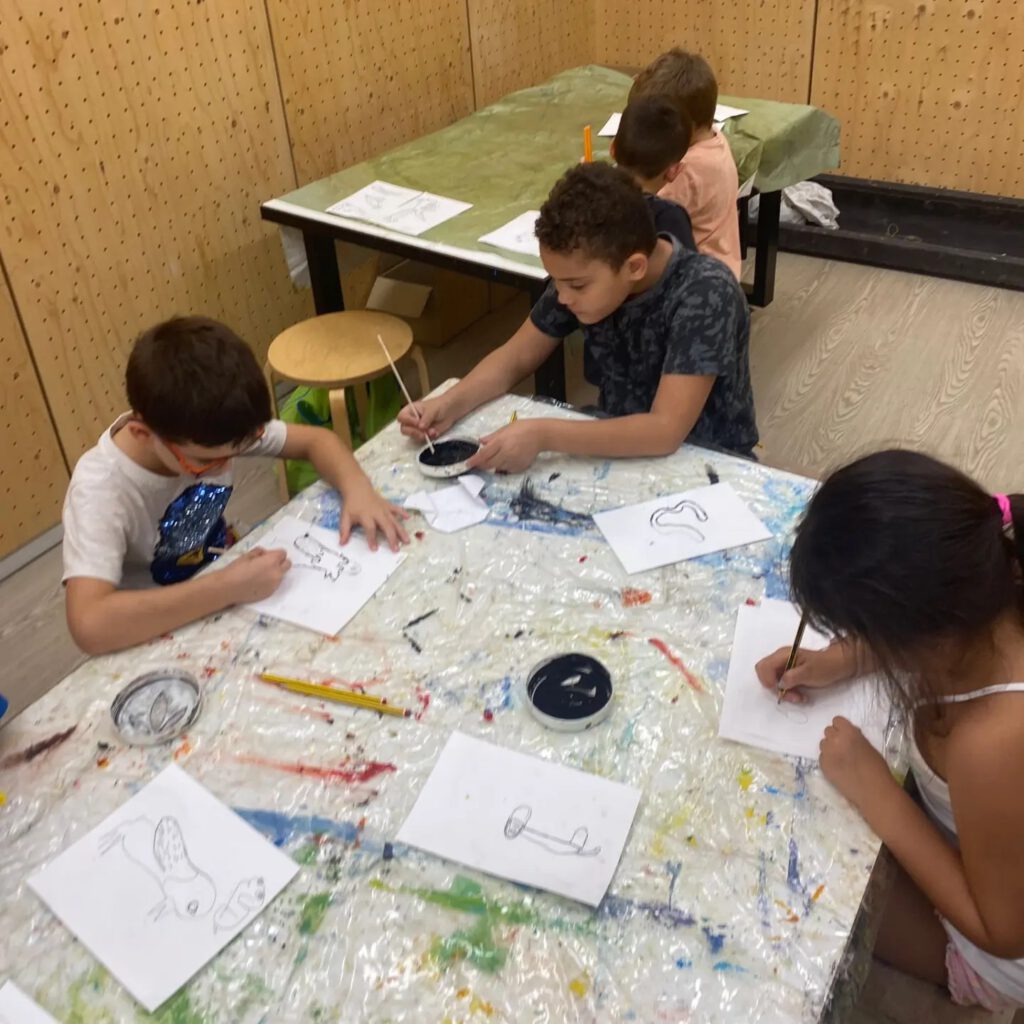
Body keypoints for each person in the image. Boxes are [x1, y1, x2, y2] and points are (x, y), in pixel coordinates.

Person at [756, 449, 1024, 1012]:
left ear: (915, 631)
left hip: (998, 951)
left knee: (793, 886)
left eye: (861, 630)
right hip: (995, 841)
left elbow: (1002, 933)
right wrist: (840, 659)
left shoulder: (989, 742)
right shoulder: (994, 572)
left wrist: (878, 792)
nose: (856, 639)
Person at [62, 316, 408, 655]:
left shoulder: (209, 429)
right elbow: (90, 624)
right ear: (143, 433)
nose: (226, 467)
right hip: (157, 622)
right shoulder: (101, 489)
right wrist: (225, 587)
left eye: (237, 452)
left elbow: (318, 441)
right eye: (206, 462)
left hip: (227, 572)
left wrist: (359, 490)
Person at [397, 163, 756, 471]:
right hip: (617, 445)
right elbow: (515, 358)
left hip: (710, 463)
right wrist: (448, 403)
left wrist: (543, 434)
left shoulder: (705, 293)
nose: (563, 296)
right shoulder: (583, 274)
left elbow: (665, 430)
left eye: (576, 285)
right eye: (556, 281)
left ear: (634, 267)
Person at [630, 48, 741, 279]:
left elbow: (640, 213)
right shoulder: (714, 138)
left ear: (683, 127)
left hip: (697, 280)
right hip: (723, 267)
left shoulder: (684, 169)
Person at [611, 95, 696, 250]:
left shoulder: (585, 199)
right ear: (673, 171)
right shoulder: (670, 219)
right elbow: (690, 264)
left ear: (612, 149)